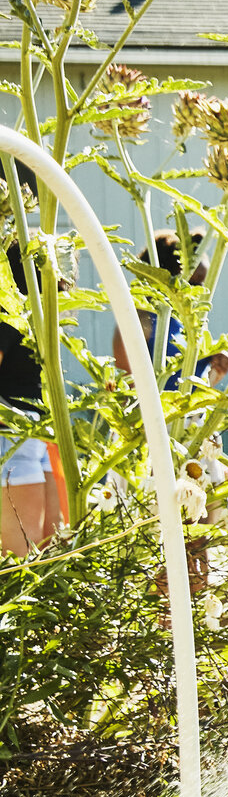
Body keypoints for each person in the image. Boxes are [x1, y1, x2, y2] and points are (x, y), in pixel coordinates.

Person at [110, 231, 228, 391]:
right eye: (192, 283)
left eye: (203, 284)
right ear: (163, 277)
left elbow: (190, 391)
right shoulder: (139, 321)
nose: (200, 292)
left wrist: (217, 371)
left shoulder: (189, 322)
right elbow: (126, 394)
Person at [2, 200, 55, 556]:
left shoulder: (33, 318)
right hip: (11, 438)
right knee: (22, 560)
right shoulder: (9, 312)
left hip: (32, 435)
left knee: (53, 546)